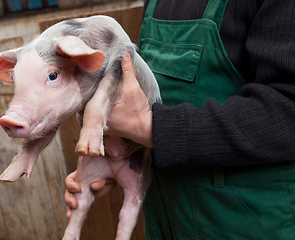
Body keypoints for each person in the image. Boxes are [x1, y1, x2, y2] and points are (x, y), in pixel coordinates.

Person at [65, 0, 295, 239]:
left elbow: (288, 108)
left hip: (246, 220)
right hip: (166, 213)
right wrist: (124, 154)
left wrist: (152, 128)